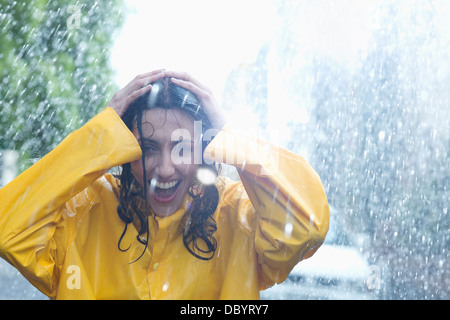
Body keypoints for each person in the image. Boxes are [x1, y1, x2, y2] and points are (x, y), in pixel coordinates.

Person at [0, 69, 329, 299]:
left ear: (203, 148)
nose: (165, 168)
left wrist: (231, 135)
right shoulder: (85, 211)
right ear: (125, 148)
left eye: (182, 147)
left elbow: (305, 227)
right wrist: (98, 136)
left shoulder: (236, 215)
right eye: (148, 148)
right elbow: (7, 229)